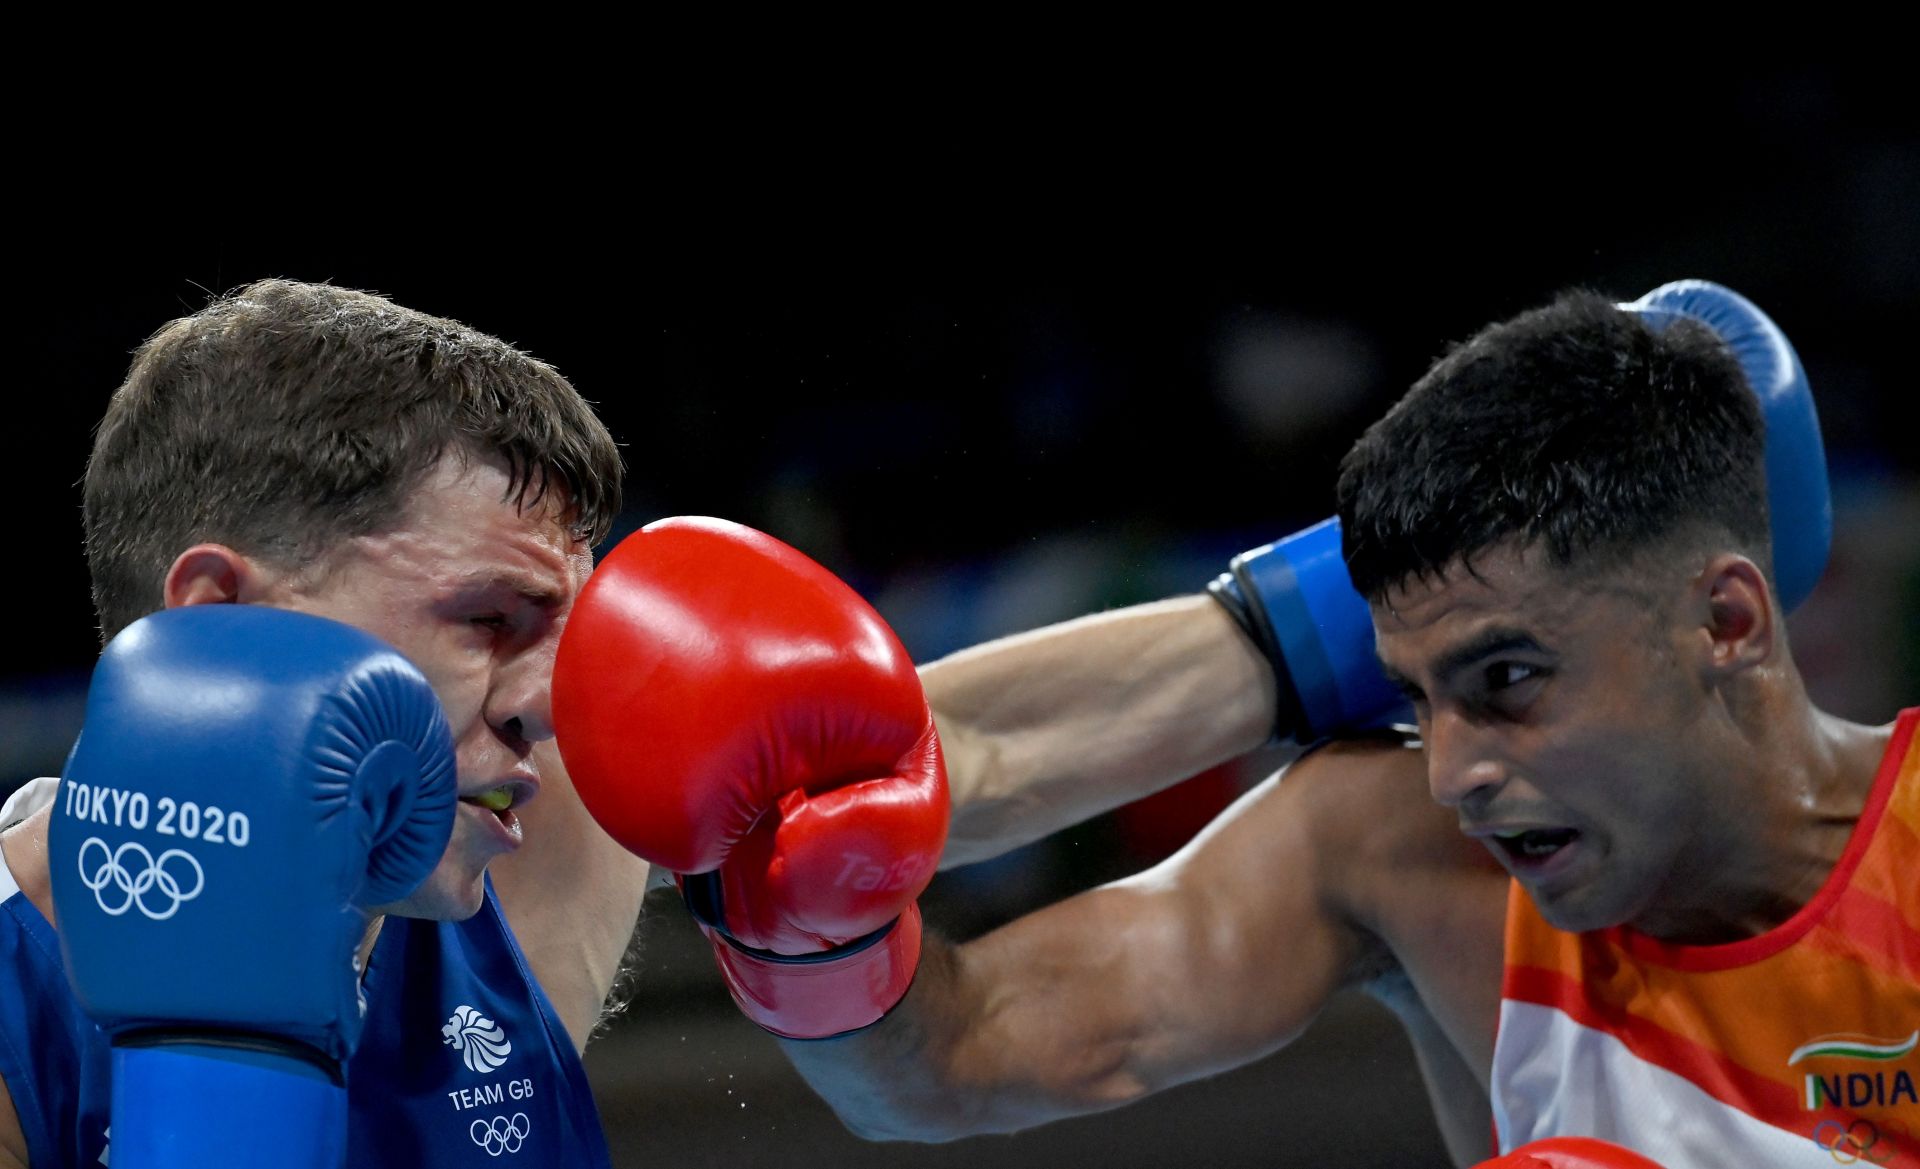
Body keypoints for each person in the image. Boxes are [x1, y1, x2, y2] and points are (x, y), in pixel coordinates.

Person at [554, 288, 1916, 1167]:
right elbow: (943, 1069)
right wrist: (811, 943)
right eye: (1414, 693)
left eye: (1508, 681)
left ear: (1729, 625)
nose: (1453, 772)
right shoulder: (1399, 854)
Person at [0, 278, 650, 1168]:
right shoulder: (14, 1006)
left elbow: (897, 729)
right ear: (219, 623)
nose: (546, 704)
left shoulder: (534, 822)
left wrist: (838, 964)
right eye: (491, 619)